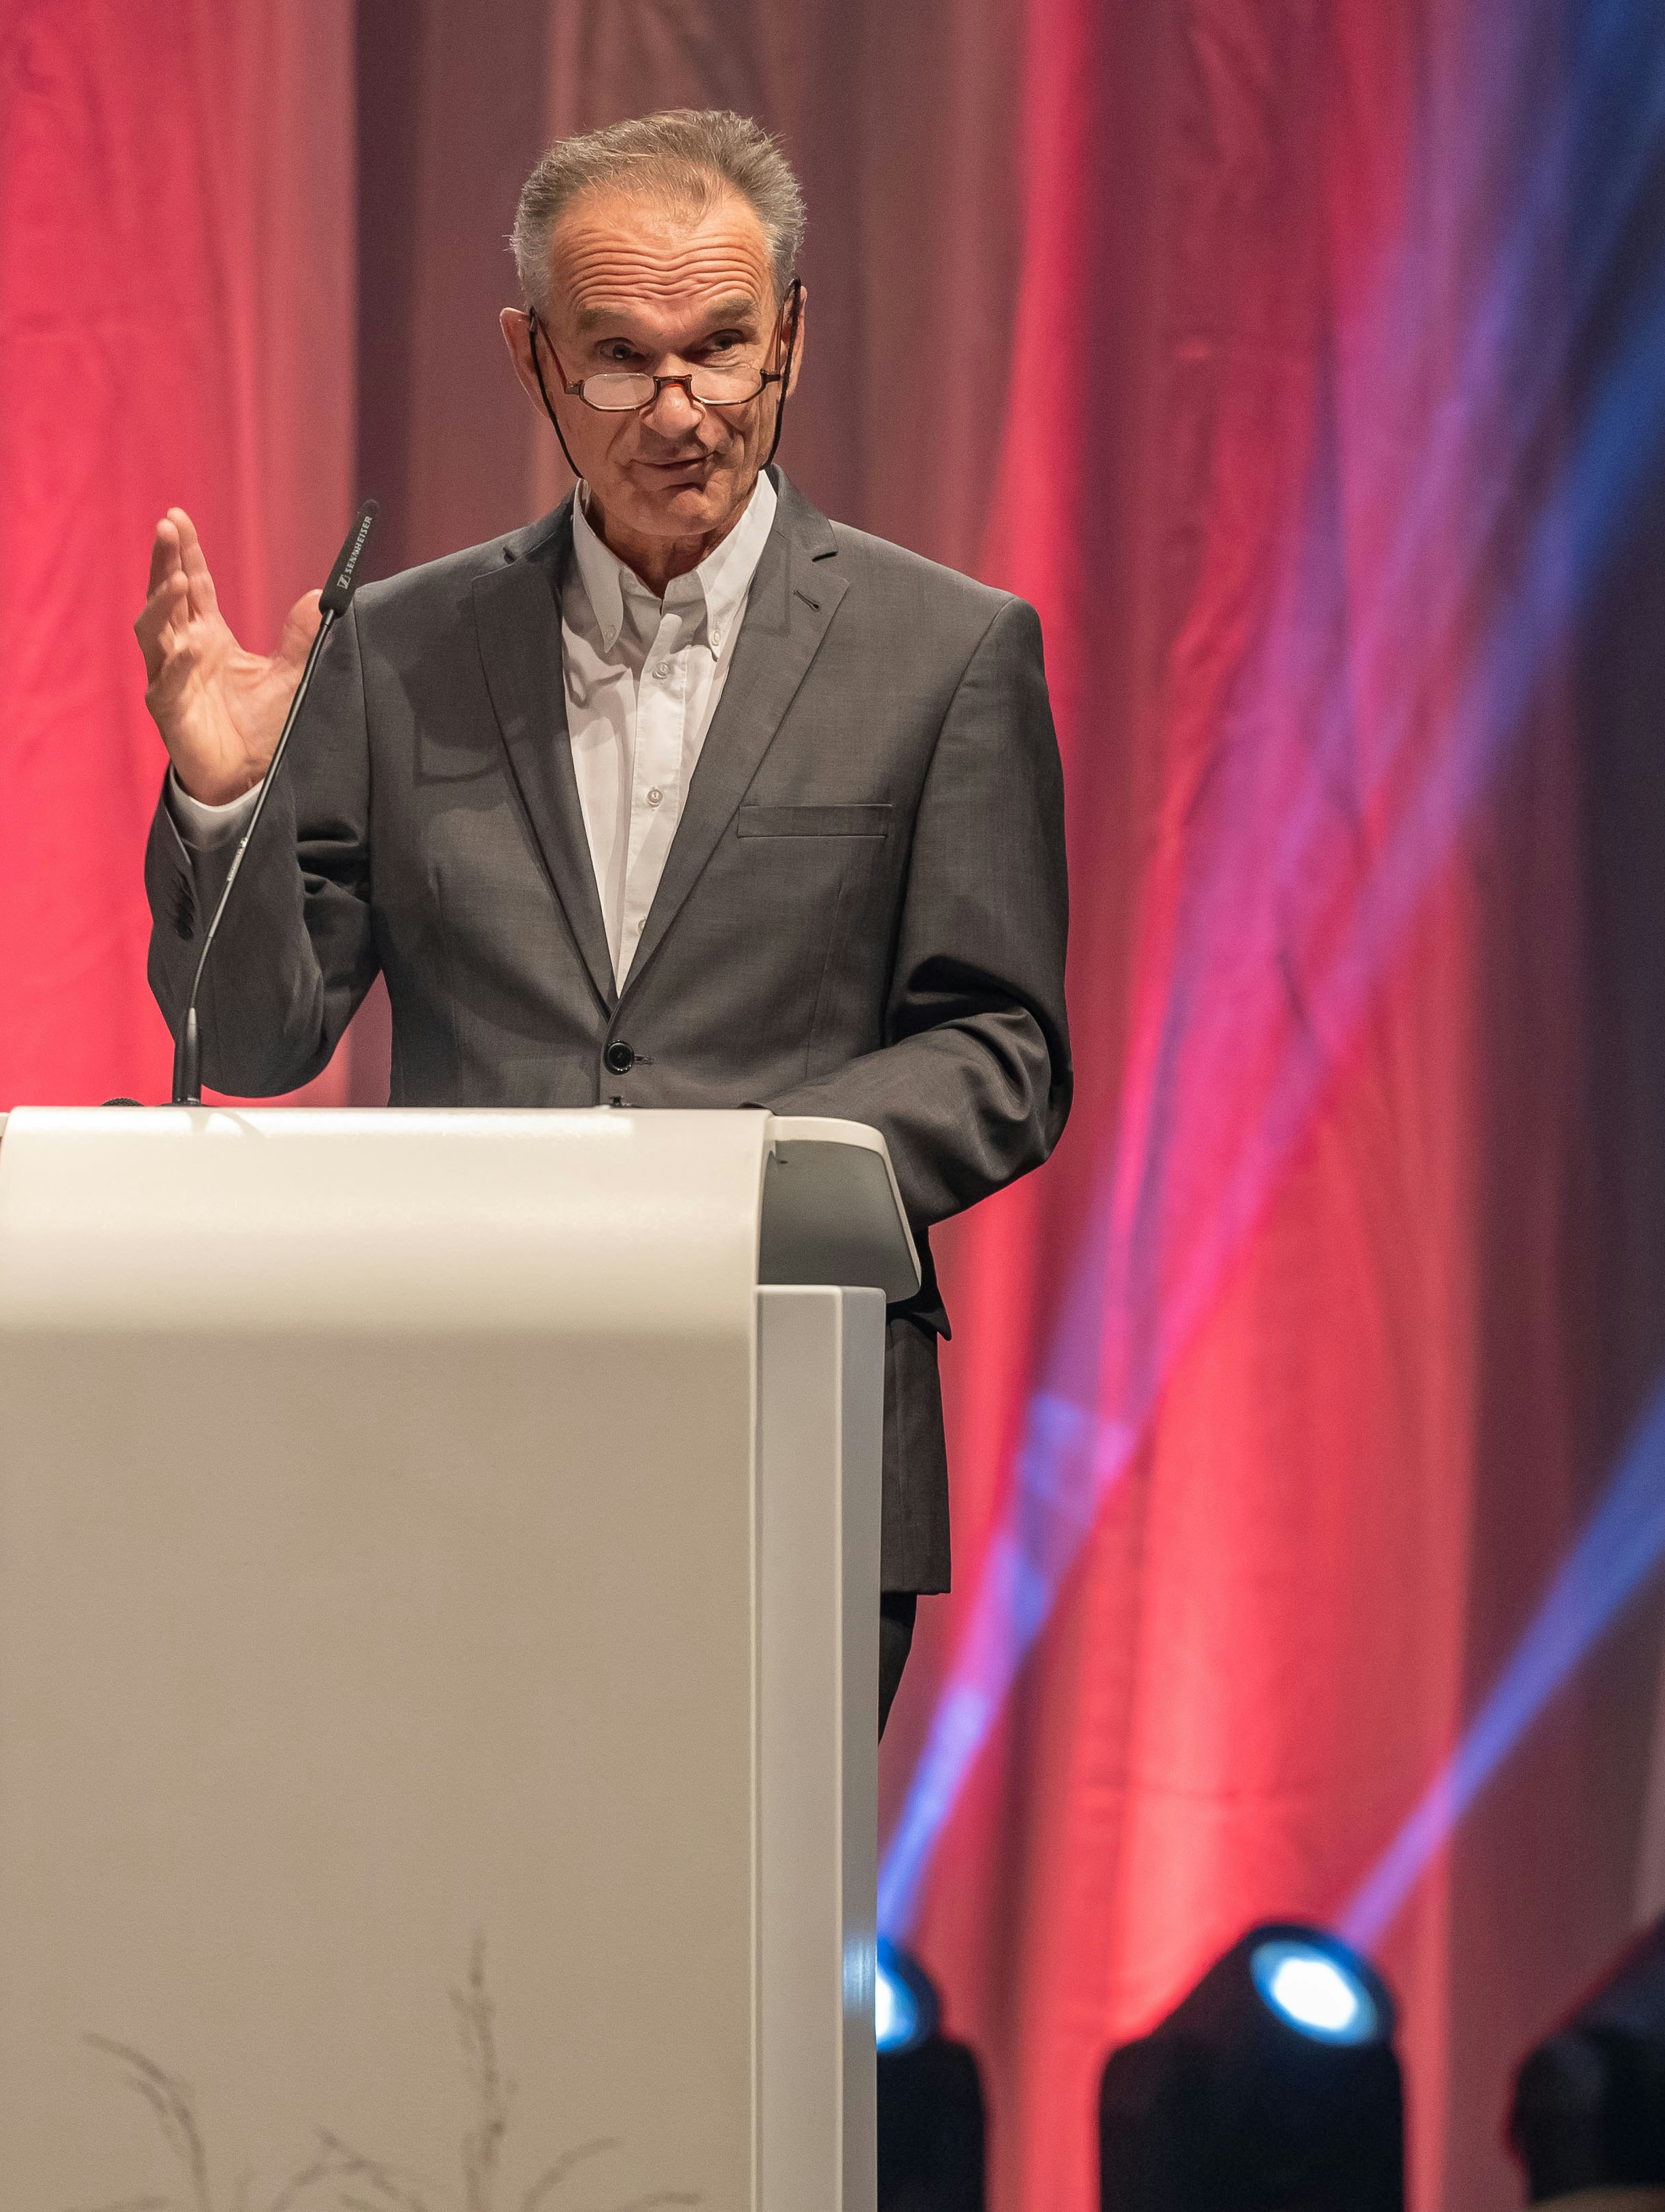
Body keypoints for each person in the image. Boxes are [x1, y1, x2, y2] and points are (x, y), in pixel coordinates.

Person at [130, 109, 1069, 1733]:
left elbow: (1002, 1050)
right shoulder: (400, 647)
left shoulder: (947, 653)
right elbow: (265, 1038)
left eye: (722, 348)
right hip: (455, 1432)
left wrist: (736, 1176)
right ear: (533, 362)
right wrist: (227, 804)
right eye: (621, 360)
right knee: (459, 1887)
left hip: (794, 1417)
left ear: (793, 335)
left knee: (744, 1903)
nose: (681, 411)